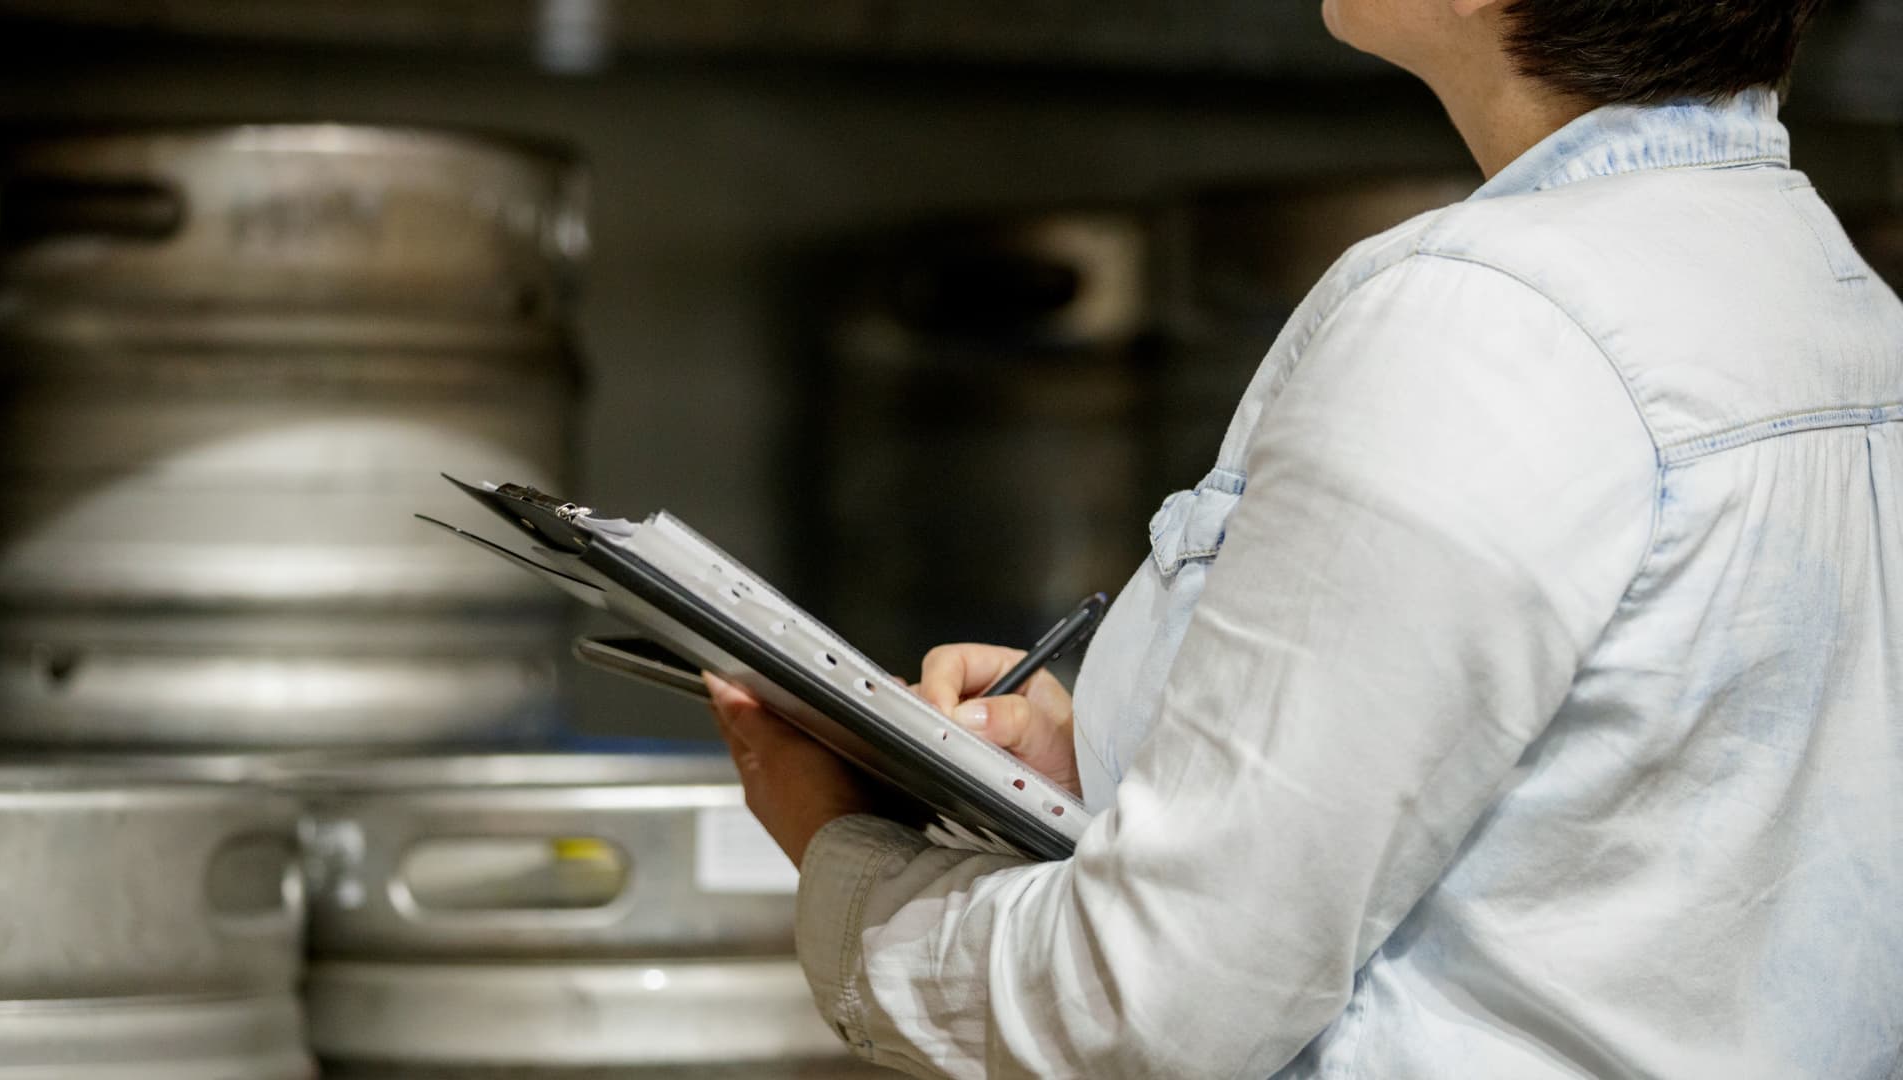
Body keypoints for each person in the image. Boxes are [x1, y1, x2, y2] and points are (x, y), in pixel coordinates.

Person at [707, 0, 1903, 1075]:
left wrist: (840, 849)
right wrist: (1121, 771)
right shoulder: (1831, 302)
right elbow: (1614, 844)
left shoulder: (1484, 327)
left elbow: (1145, 1007)